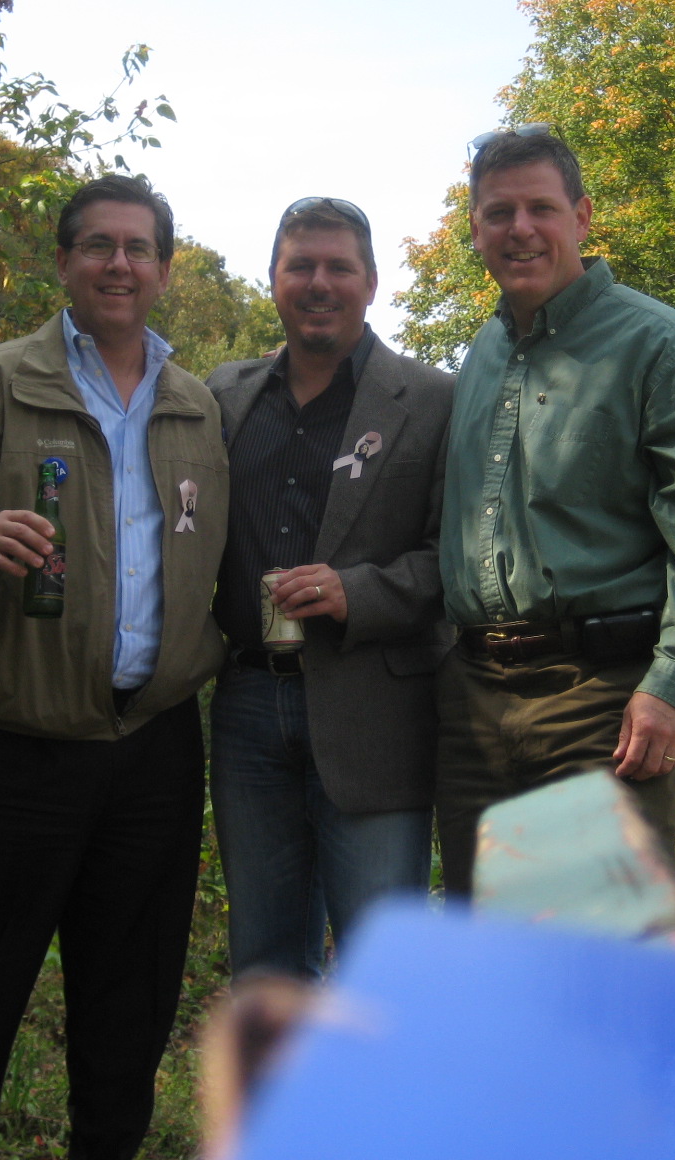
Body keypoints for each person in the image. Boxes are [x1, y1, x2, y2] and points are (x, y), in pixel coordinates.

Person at [0, 174, 227, 1160]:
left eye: (139, 248)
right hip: (8, 753)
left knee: (128, 1019)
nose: (120, 264)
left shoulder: (196, 407)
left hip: (152, 753)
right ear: (63, 262)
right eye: (99, 245)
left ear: (164, 270)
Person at [436, 127, 675, 897]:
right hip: (474, 708)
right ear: (475, 230)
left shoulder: (662, 348)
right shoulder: (481, 355)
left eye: (541, 208)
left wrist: (673, 685)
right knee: (488, 941)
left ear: (581, 217)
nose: (520, 229)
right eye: (499, 212)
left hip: (602, 705)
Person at [206, 197, 454, 978]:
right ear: (273, 279)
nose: (319, 283)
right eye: (300, 266)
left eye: (339, 267)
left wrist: (359, 593)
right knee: (264, 968)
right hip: (248, 707)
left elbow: (457, 557)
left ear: (371, 282)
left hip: (375, 708)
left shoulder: (433, 400)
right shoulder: (223, 397)